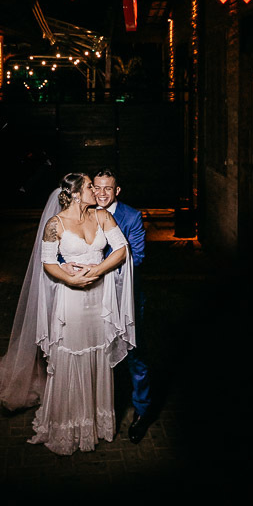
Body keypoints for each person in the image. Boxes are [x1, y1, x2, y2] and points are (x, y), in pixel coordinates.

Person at [0, 173, 134, 456]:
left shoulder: (103, 217)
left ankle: (95, 423)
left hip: (100, 301)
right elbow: (47, 262)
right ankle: (67, 423)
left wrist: (96, 270)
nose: (96, 191)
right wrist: (70, 279)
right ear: (77, 193)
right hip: (72, 302)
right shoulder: (55, 225)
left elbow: (121, 250)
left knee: (97, 354)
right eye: (90, 186)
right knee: (72, 353)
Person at [92, 167, 153, 443]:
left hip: (124, 298)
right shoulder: (85, 212)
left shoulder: (131, 216)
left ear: (116, 191)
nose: (101, 193)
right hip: (90, 297)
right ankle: (100, 411)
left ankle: (142, 411)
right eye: (97, 187)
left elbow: (137, 256)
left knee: (134, 356)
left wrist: (97, 269)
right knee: (95, 353)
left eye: (108, 188)